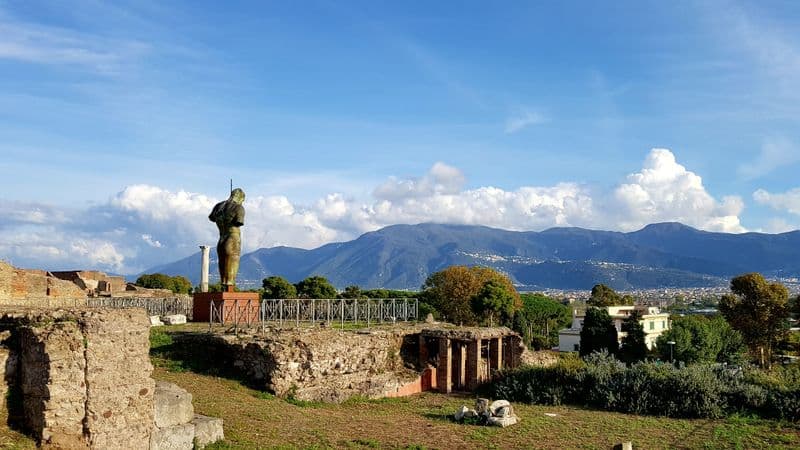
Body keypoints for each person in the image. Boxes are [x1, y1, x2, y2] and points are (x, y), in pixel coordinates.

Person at [208, 188, 245, 290]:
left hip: (221, 239)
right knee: (233, 258)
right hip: (232, 237)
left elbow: (211, 218)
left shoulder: (218, 206)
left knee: (222, 261)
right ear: (240, 198)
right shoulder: (238, 208)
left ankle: (223, 283)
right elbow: (239, 221)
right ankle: (230, 285)